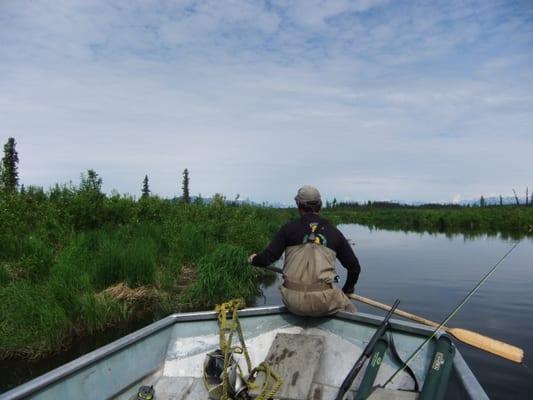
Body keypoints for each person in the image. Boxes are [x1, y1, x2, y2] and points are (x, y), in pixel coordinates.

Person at [248, 185, 361, 316]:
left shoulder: (288, 229)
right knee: (350, 309)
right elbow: (354, 268)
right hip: (324, 302)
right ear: (320, 205)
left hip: (292, 301)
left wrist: (253, 259)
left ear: (298, 205)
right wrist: (347, 289)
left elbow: (266, 259)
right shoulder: (334, 232)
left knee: (334, 283)